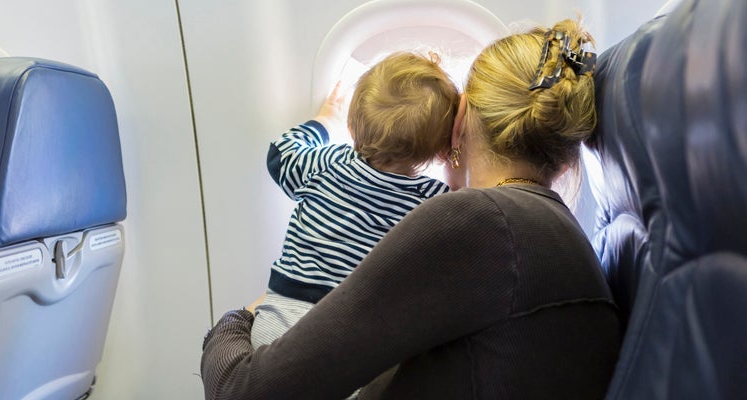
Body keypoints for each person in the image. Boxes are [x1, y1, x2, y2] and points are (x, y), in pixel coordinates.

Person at [201, 19, 620, 400]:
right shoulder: (555, 235)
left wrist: (244, 317)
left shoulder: (475, 221)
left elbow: (244, 391)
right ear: (565, 159)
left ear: (460, 122)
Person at [251, 51, 459, 349]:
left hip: (276, 319)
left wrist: (324, 121)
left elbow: (280, 154)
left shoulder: (327, 162)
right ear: (440, 151)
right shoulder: (431, 201)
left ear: (350, 126)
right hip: (352, 334)